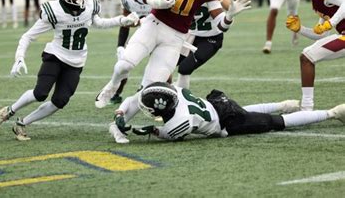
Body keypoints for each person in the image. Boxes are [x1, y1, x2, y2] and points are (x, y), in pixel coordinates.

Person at [95, 0, 251, 108]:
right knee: (123, 66)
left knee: (150, 88)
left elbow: (221, 24)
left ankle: (124, 116)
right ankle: (112, 85)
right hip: (155, 24)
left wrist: (229, 15)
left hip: (177, 37)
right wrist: (152, 2)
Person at [0, 0, 139, 141]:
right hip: (55, 56)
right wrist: (19, 57)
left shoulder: (89, 5)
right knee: (40, 93)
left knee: (60, 101)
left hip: (76, 61)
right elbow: (28, 36)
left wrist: (121, 20)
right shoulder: (53, 10)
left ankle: (22, 123)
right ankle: (10, 110)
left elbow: (99, 23)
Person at [109, 82, 345, 143]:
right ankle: (283, 102)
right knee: (246, 110)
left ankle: (332, 113)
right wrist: (121, 113)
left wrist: (150, 130)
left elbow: (167, 134)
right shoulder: (175, 91)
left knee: (276, 123)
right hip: (217, 102)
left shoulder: (179, 121)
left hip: (226, 122)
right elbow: (143, 98)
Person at [286, 0, 345, 110]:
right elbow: (321, 35)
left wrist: (330, 23)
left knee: (307, 57)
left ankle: (306, 108)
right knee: (307, 56)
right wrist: (300, 29)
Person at [175, 0, 242, 89]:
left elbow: (223, 25)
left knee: (185, 68)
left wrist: (230, 14)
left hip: (210, 38)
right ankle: (164, 90)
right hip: (188, 35)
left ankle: (181, 98)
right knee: (166, 64)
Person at [111, 0, 155, 104]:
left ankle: (160, 93)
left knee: (160, 66)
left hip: (159, 32)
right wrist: (120, 45)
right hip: (140, 35)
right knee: (124, 64)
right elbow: (126, 22)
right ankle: (116, 92)